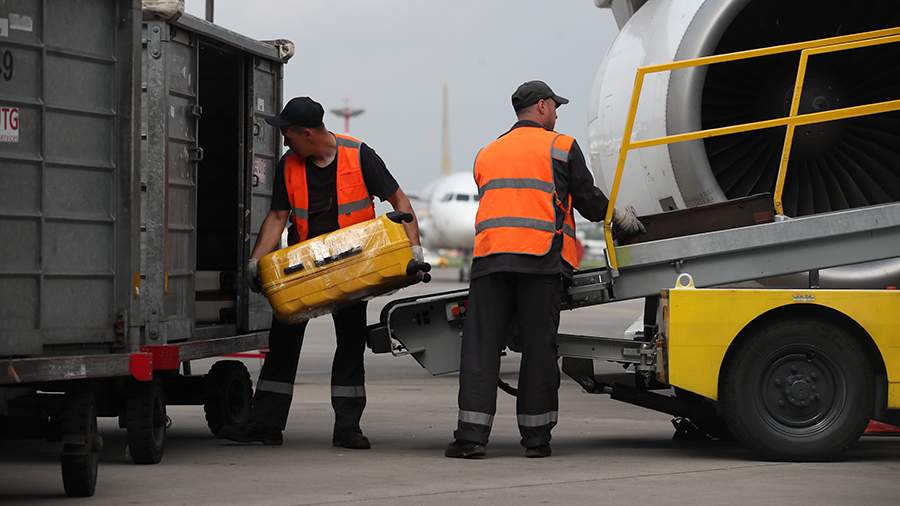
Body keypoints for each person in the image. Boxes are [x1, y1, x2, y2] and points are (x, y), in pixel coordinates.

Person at [445, 81, 644, 459]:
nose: (556, 114)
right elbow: (587, 200)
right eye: (555, 107)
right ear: (541, 106)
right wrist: (618, 218)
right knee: (538, 349)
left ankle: (471, 437)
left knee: (480, 350)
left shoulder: (487, 152)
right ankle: (536, 440)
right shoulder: (561, 147)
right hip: (540, 261)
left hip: (490, 262)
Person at [219, 97, 423, 448]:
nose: (284, 141)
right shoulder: (288, 164)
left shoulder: (360, 156)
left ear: (308, 133)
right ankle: (266, 425)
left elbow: (400, 202)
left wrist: (414, 250)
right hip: (304, 271)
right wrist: (256, 261)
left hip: (353, 268)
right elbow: (278, 216)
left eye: (288, 134)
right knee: (283, 344)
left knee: (350, 345)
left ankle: (347, 428)